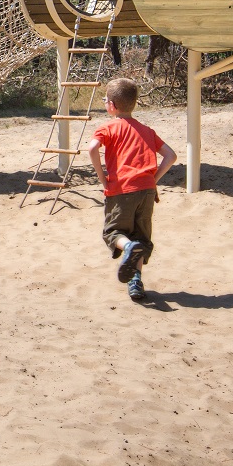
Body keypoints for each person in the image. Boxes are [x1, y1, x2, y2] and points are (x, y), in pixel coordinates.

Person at [86, 77, 177, 303]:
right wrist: (153, 180)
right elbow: (171, 156)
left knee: (114, 233)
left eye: (106, 99)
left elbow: (92, 148)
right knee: (141, 237)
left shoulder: (108, 127)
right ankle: (135, 282)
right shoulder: (146, 130)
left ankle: (127, 247)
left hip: (121, 190)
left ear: (112, 105)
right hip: (146, 191)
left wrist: (103, 179)